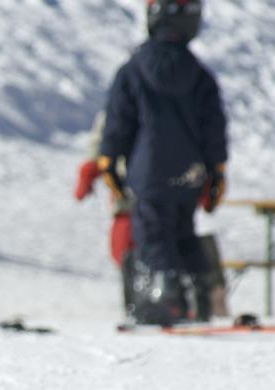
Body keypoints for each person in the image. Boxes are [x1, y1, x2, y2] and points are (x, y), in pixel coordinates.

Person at [97, 0, 227, 325]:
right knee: (184, 229)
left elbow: (119, 121)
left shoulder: (134, 69)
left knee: (153, 231)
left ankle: (165, 296)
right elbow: (213, 127)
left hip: (150, 170)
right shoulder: (199, 74)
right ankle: (199, 294)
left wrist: (108, 160)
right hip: (190, 172)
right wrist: (216, 170)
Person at [74, 111, 137, 315]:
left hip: (172, 180)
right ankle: (141, 303)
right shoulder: (129, 85)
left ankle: (172, 302)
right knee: (125, 244)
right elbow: (109, 130)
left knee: (169, 239)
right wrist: (91, 167)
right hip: (129, 184)